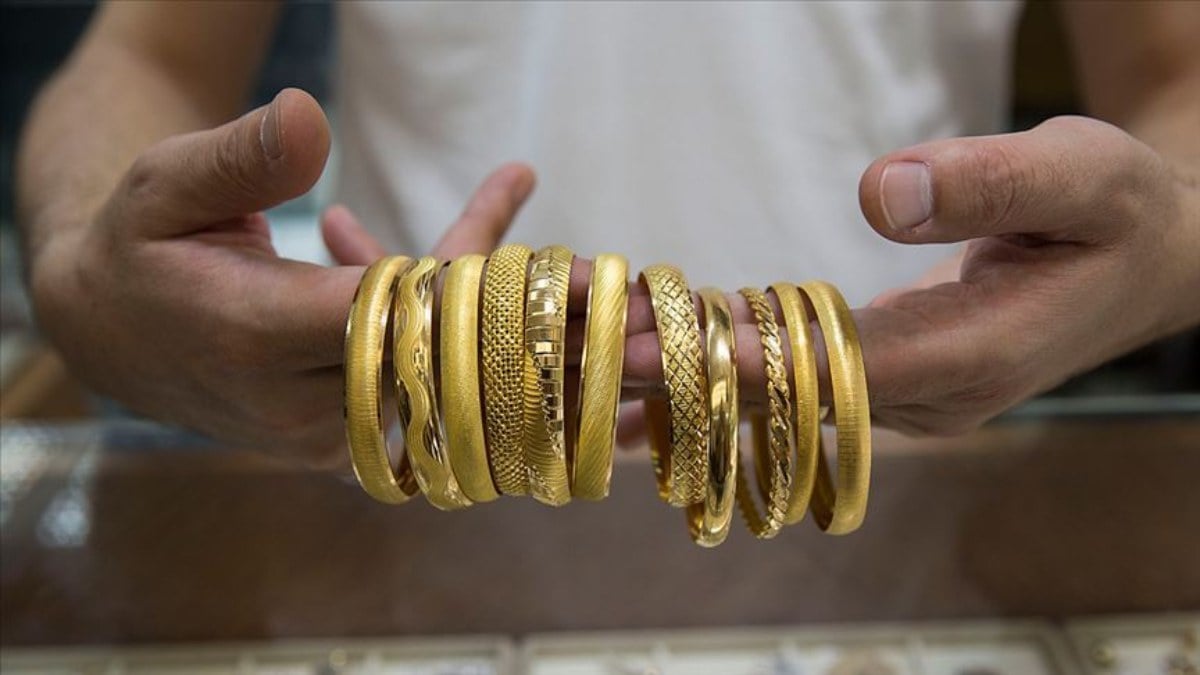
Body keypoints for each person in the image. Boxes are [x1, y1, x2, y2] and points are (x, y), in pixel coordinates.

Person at [15, 2, 1200, 469]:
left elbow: (1173, 73)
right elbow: (147, 54)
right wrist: (81, 263)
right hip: (407, 516)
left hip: (901, 517)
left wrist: (1172, 237)